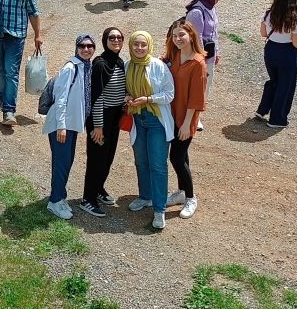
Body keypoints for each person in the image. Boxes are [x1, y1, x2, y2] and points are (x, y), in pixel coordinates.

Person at [124, 31, 175, 230]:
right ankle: (145, 196)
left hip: (156, 121)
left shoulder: (158, 66)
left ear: (149, 46)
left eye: (143, 44)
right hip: (138, 119)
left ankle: (159, 209)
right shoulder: (128, 66)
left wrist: (148, 99)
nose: (139, 48)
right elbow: (125, 90)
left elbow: (169, 94)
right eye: (136, 44)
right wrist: (128, 97)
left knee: (158, 164)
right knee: (141, 161)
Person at [43, 33, 95, 219]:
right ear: (77, 48)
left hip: (71, 124)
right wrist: (61, 126)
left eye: (90, 46)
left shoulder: (85, 67)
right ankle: (55, 201)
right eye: (82, 46)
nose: (86, 49)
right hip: (61, 125)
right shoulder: (70, 68)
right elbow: (60, 98)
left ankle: (60, 196)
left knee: (66, 162)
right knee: (61, 163)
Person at [80, 26, 126, 217]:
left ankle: (98, 189)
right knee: (97, 159)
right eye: (112, 38)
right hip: (100, 119)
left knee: (108, 157)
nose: (116, 40)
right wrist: (98, 126)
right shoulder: (100, 64)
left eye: (119, 37)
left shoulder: (119, 62)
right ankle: (88, 199)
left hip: (114, 118)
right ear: (105, 41)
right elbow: (97, 97)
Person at [163, 20, 206, 220]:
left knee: (176, 157)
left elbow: (197, 98)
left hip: (185, 118)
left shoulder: (197, 63)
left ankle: (190, 197)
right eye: (174, 36)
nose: (178, 39)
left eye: (181, 35)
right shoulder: (175, 56)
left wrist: (187, 124)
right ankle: (181, 192)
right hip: (171, 115)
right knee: (182, 156)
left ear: (191, 35)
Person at [256, 0, 297, 129]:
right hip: (287, 54)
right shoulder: (294, 19)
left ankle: (263, 109)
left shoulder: (268, 14)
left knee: (274, 81)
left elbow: (263, 34)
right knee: (285, 86)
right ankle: (277, 118)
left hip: (271, 51)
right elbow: (296, 43)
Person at [184, 0, 221, 131]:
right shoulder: (197, 13)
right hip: (200, 58)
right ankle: (193, 118)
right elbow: (195, 37)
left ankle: (196, 115)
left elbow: (215, 33)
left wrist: (217, 52)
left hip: (209, 56)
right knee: (198, 88)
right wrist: (201, 59)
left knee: (206, 86)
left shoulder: (210, 7)